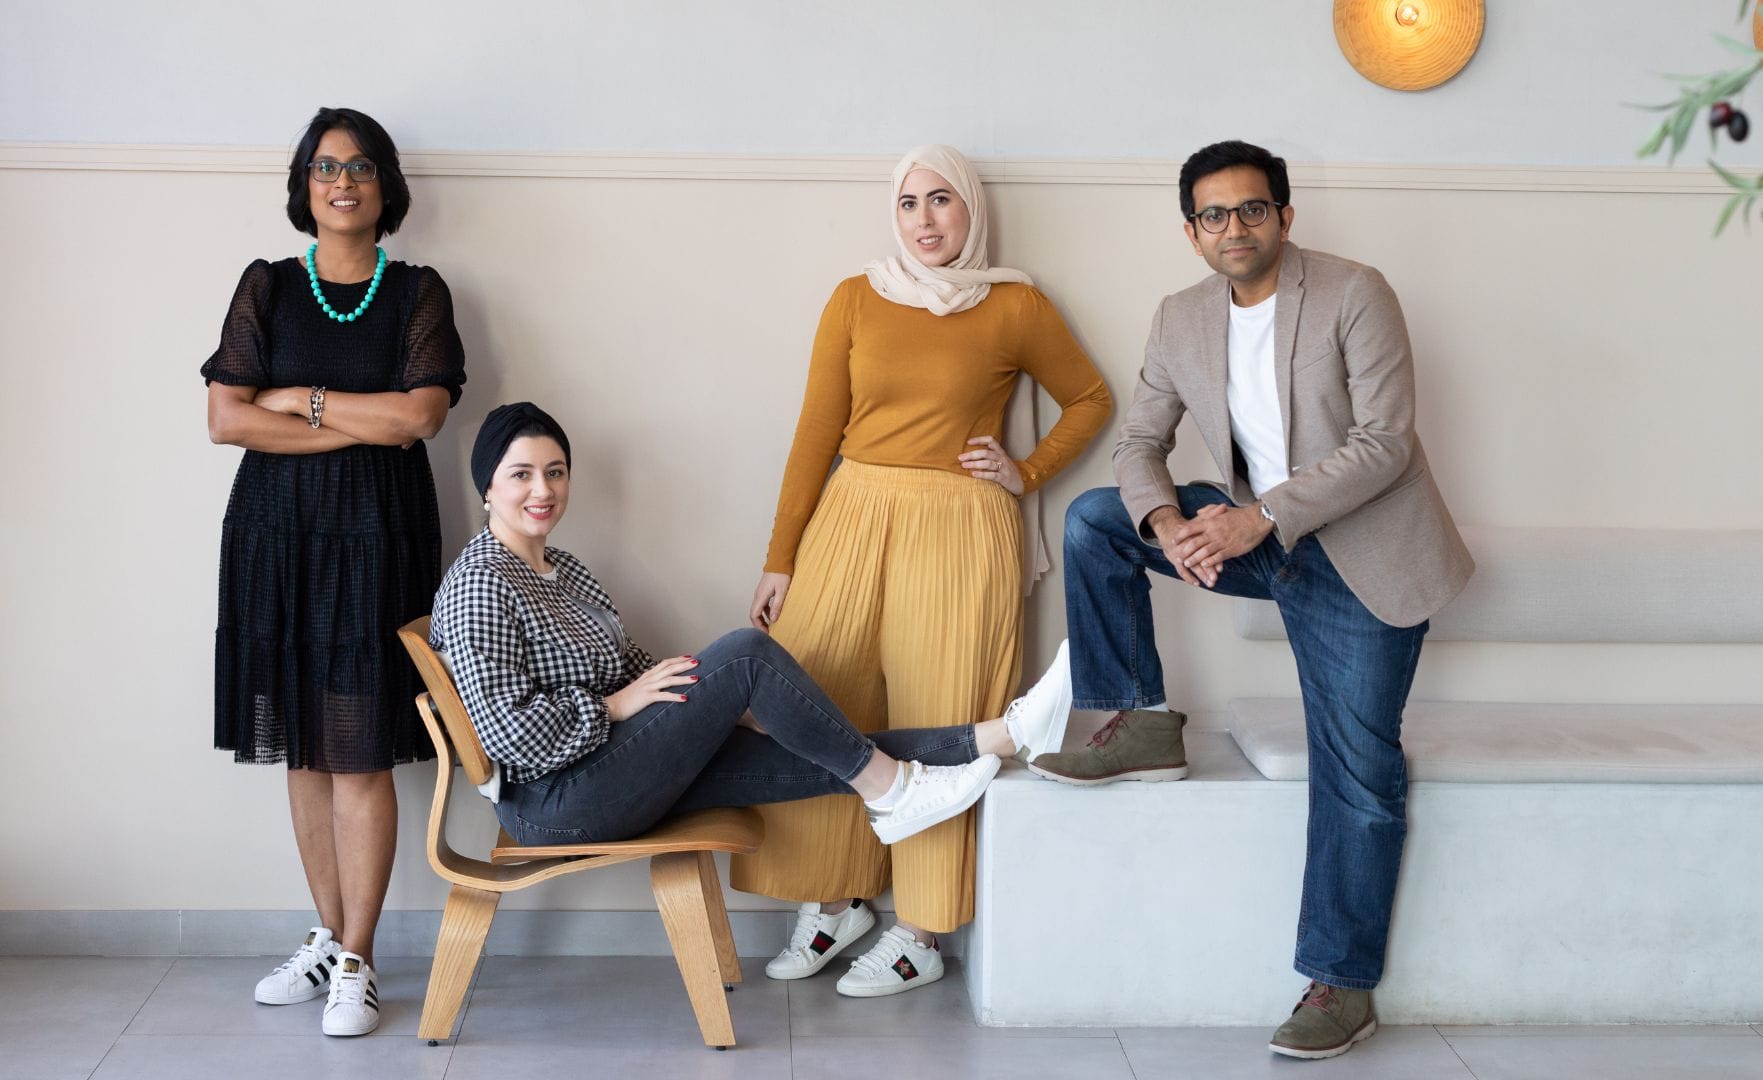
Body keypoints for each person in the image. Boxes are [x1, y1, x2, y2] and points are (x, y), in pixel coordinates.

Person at [1027, 140, 1474, 1060]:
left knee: (1358, 770)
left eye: (1253, 209)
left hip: (1357, 556)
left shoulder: (1355, 292)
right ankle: (1142, 720)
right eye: (1215, 215)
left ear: (1284, 216)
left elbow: (1386, 443)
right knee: (1097, 521)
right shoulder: (1180, 317)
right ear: (1192, 232)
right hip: (1258, 541)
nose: (1235, 227)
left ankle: (1341, 984)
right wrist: (1167, 525)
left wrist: (1257, 519)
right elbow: (1138, 443)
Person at [429, 403, 1073, 913]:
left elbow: (632, 666)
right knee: (745, 653)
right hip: (553, 802)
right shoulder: (481, 581)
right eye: (521, 474)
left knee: (821, 747)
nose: (543, 489)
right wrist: (618, 706)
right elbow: (508, 735)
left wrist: (723, 709)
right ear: (488, 486)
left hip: (609, 768)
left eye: (555, 471)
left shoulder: (562, 568)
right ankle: (892, 791)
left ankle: (1005, 734)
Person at [735, 144, 1112, 996]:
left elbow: (1090, 398)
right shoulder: (856, 297)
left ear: (971, 208)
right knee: (822, 698)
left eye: (942, 199)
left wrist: (1026, 471)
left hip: (961, 522)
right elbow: (815, 432)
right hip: (852, 511)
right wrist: (780, 559)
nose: (926, 219)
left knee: (940, 712)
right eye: (909, 203)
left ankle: (922, 929)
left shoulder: (1013, 303)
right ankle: (835, 898)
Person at [202, 107, 465, 1038]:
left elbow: (419, 419)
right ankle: (327, 935)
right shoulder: (267, 285)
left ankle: (359, 959)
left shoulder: (418, 293)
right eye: (323, 167)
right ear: (303, 187)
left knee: (356, 749)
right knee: (303, 748)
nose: (341, 181)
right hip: (275, 537)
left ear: (385, 185)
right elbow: (226, 420)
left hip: (377, 538)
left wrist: (302, 402)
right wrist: (361, 419)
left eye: (358, 166)